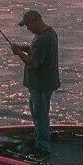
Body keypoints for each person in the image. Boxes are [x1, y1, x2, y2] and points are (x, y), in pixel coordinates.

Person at [11, 10, 60, 157]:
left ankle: (42, 148)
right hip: (40, 85)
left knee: (40, 116)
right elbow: (36, 50)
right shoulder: (47, 33)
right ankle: (39, 138)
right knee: (38, 114)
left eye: (28, 25)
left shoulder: (43, 38)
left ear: (35, 21)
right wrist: (22, 48)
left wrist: (18, 53)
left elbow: (33, 63)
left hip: (41, 85)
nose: (28, 29)